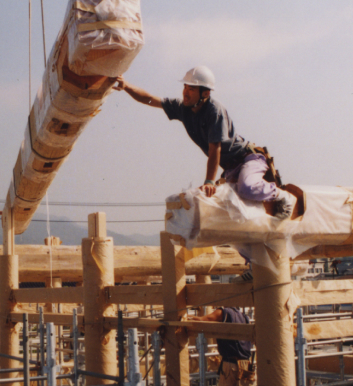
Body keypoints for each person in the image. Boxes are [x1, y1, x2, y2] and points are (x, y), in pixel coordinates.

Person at [115, 66, 296, 281]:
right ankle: (254, 264)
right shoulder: (183, 108)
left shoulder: (214, 111)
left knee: (248, 187)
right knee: (234, 218)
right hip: (231, 168)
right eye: (185, 87)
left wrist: (210, 180)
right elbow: (151, 100)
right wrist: (126, 86)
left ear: (205, 93)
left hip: (248, 159)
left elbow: (215, 149)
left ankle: (283, 196)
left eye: (191, 89)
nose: (185, 92)